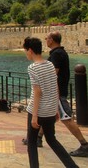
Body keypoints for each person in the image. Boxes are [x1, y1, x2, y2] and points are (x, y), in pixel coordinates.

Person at [23, 37, 78, 168]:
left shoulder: (32, 68)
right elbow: (55, 87)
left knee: (31, 142)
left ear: (30, 50)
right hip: (49, 111)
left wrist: (35, 116)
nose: (26, 53)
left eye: (25, 50)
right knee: (52, 140)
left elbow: (37, 92)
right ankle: (72, 166)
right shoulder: (50, 64)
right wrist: (56, 109)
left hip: (37, 111)